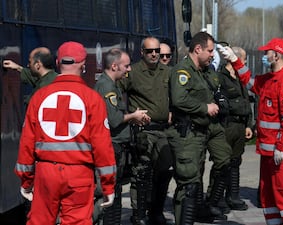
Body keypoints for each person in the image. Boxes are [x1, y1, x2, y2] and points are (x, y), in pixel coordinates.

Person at [14, 41, 116, 225]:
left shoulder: (39, 97)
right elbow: (102, 146)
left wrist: (26, 182)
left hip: (46, 173)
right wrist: (108, 185)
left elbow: (27, 142)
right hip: (79, 174)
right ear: (83, 64)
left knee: (40, 221)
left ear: (58, 62)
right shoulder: (93, 98)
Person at [219, 37, 283, 225]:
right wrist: (234, 59)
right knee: (267, 196)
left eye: (268, 52)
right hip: (268, 152)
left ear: (277, 56)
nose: (265, 55)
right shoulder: (268, 79)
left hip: (280, 153)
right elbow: (248, 80)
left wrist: (281, 147)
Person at [168, 31, 232, 225]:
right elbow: (179, 99)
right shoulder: (183, 71)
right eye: (210, 51)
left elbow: (215, 89)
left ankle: (206, 206)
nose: (213, 55)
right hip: (187, 132)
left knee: (210, 170)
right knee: (189, 184)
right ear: (198, 49)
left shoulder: (205, 72)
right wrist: (205, 107)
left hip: (204, 131)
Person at [118, 36, 173, 225]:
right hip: (143, 131)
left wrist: (172, 110)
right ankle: (139, 214)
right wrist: (127, 115)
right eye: (150, 51)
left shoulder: (168, 72)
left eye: (157, 51)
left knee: (165, 172)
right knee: (141, 172)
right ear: (142, 52)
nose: (155, 54)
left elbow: (178, 95)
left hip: (164, 130)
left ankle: (156, 211)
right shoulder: (132, 72)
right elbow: (115, 90)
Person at [94, 48, 150, 225]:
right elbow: (114, 119)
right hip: (111, 146)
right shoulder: (106, 86)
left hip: (117, 146)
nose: (129, 69)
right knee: (111, 192)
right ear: (114, 65)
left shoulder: (112, 85)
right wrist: (134, 116)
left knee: (115, 190)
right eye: (126, 66)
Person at [216, 46, 253, 211]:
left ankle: (233, 196)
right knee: (223, 162)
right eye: (243, 59)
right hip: (226, 124)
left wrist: (248, 125)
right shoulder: (220, 77)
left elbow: (246, 101)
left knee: (236, 161)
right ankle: (218, 198)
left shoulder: (241, 78)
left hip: (239, 125)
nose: (244, 62)